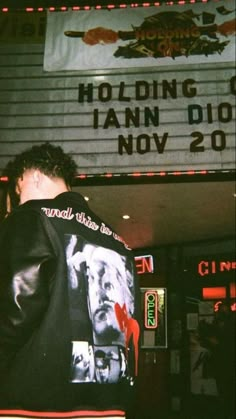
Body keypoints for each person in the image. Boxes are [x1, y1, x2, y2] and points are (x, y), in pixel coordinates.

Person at [0, 143, 140, 419]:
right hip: (109, 403)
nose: (19, 201)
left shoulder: (32, 216)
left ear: (31, 177)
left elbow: (16, 308)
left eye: (18, 192)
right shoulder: (118, 241)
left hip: (35, 404)